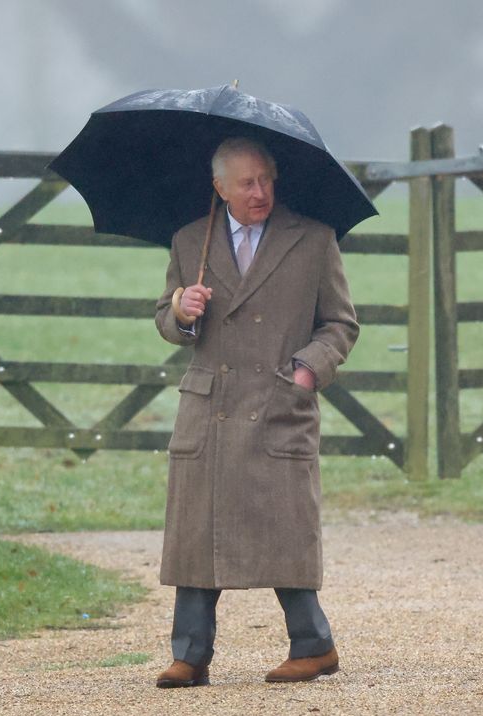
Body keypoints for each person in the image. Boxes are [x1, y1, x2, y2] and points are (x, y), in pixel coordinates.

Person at [153, 137, 359, 687]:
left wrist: (307, 370)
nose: (260, 192)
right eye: (246, 183)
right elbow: (169, 322)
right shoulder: (189, 240)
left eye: (266, 179)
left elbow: (340, 324)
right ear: (219, 187)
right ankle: (190, 654)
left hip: (278, 404)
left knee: (285, 530)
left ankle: (314, 646)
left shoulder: (313, 240)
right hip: (209, 409)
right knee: (199, 532)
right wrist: (181, 309)